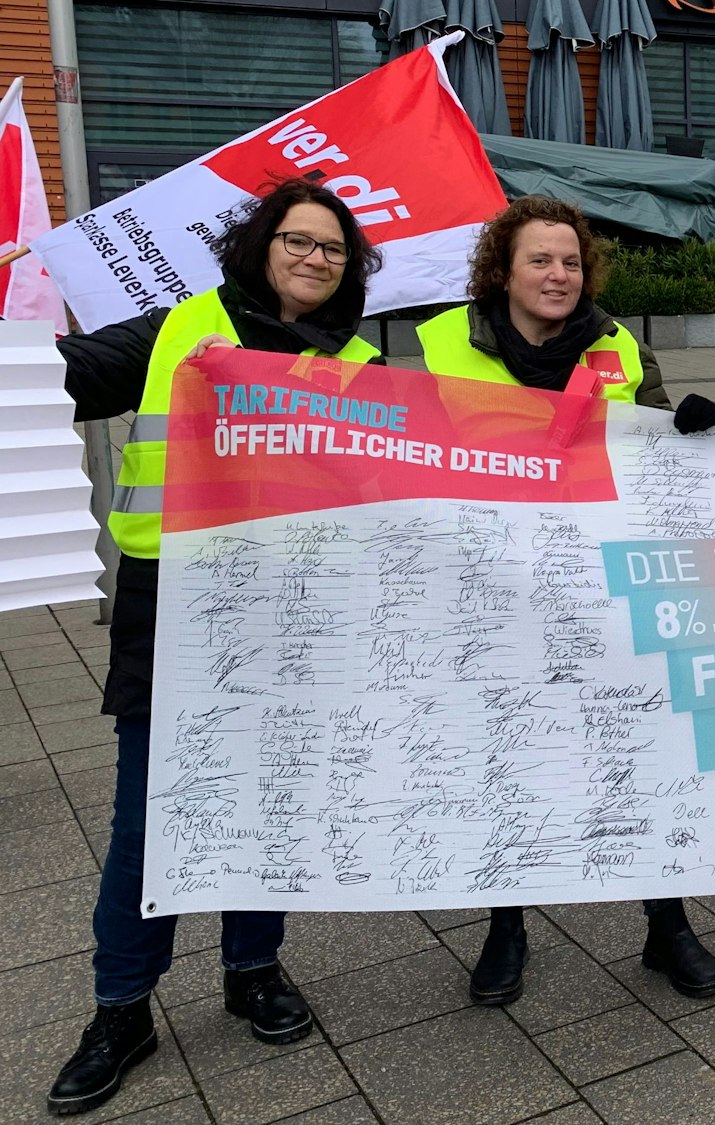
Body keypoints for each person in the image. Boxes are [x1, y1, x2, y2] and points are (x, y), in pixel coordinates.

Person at [45, 179, 381, 1116]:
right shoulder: (178, 328)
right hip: (176, 605)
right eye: (298, 240)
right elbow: (62, 377)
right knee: (148, 818)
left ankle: (253, 969)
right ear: (260, 244)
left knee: (265, 798)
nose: (315, 258)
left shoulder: (354, 359)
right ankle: (121, 1009)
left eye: (332, 248)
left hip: (290, 606)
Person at [416, 195, 715, 1005]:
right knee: (509, 760)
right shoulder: (443, 346)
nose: (559, 275)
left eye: (570, 261)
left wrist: (685, 426)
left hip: (605, 587)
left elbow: (658, 446)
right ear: (502, 270)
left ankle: (668, 923)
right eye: (540, 260)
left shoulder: (619, 343)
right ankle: (506, 925)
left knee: (645, 751)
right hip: (500, 595)